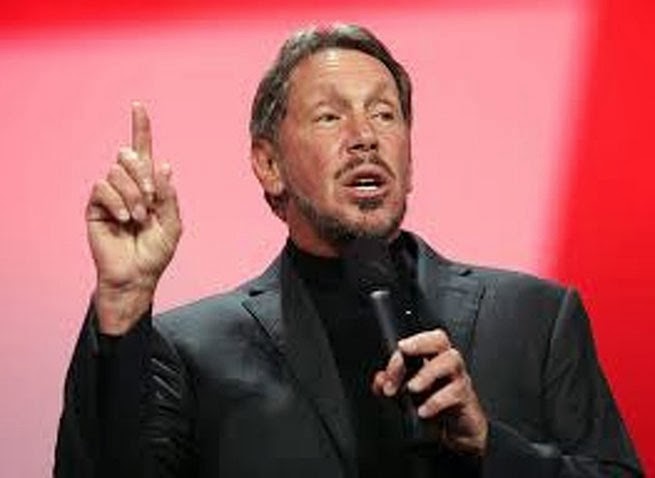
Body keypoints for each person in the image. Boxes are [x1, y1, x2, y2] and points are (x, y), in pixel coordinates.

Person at [55, 24, 643, 477]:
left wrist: (490, 445)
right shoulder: (192, 352)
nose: (365, 137)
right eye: (330, 116)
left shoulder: (536, 319)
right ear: (268, 164)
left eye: (385, 114)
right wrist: (123, 302)